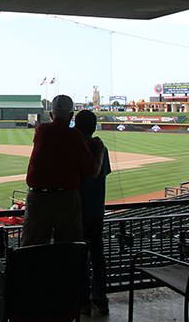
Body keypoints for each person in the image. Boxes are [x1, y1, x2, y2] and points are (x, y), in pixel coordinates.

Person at [20, 95, 103, 246]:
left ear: (51, 115)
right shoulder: (75, 136)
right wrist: (99, 150)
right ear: (71, 115)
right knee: (67, 249)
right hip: (66, 199)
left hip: (38, 198)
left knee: (32, 249)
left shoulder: (41, 131)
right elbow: (92, 172)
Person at [75, 110, 111, 316]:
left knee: (79, 258)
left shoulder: (76, 147)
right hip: (96, 211)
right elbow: (102, 174)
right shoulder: (101, 148)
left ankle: (82, 302)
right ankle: (100, 300)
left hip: (76, 211)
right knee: (98, 257)